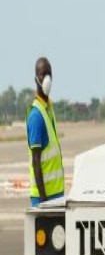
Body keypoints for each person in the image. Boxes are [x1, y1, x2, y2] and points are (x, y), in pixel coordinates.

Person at [27, 57, 64, 206]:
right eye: (43, 74)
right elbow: (36, 162)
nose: (47, 78)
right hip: (44, 198)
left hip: (57, 194)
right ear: (36, 78)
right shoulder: (36, 115)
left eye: (49, 74)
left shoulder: (48, 108)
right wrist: (43, 203)